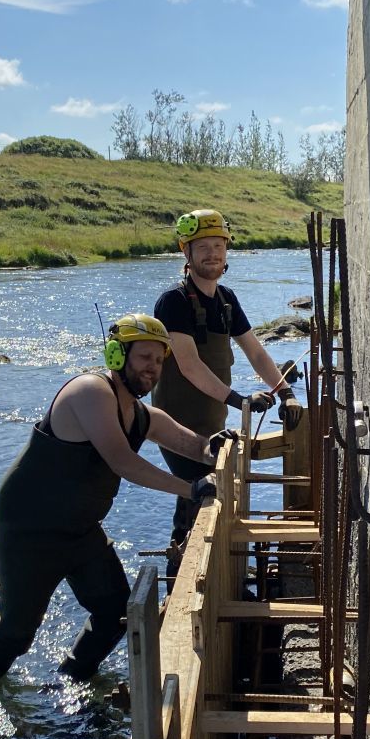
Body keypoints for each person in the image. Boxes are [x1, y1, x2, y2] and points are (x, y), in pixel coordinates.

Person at [0, 314, 223, 687]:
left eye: (158, 360)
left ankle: (74, 679)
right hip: (31, 530)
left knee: (115, 612)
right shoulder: (90, 392)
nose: (152, 369)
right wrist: (190, 489)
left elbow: (196, 445)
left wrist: (219, 445)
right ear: (117, 356)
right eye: (143, 357)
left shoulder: (141, 415)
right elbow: (121, 460)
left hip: (80, 529)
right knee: (17, 634)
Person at [152, 208, 303, 550]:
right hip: (176, 426)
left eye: (219, 245)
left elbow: (256, 352)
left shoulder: (227, 300)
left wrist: (286, 391)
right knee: (203, 492)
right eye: (202, 246)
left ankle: (189, 563)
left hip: (212, 423)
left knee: (204, 497)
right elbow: (190, 366)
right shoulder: (173, 302)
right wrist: (240, 400)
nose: (213, 253)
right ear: (185, 251)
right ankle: (185, 574)